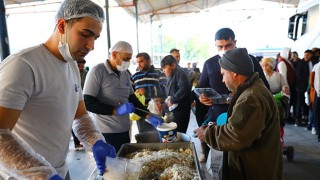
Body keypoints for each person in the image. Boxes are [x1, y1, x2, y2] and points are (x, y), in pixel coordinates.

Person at [0, 0, 117, 179]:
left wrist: (95, 141)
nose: (91, 46)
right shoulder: (24, 65)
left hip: (60, 170)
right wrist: (41, 174)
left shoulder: (71, 66)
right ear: (62, 25)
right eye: (86, 34)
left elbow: (80, 116)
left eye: (95, 38)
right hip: (23, 176)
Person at [195, 48, 283, 180]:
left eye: (223, 74)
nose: (223, 80)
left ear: (235, 73)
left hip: (253, 172)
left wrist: (207, 133)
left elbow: (235, 136)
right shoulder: (252, 90)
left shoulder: (251, 98)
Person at [196, 27, 270, 162]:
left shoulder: (249, 61)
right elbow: (202, 88)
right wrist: (202, 97)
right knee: (220, 155)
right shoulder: (209, 64)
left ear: (235, 42)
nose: (224, 49)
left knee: (240, 150)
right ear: (215, 45)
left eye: (228, 45)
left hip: (244, 112)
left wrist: (241, 95)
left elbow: (264, 86)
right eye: (220, 46)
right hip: (218, 114)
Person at [83, 41, 163, 152]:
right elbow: (87, 102)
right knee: (111, 165)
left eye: (130, 59)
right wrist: (115, 110)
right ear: (114, 54)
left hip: (124, 129)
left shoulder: (125, 74)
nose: (128, 62)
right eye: (126, 58)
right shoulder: (97, 71)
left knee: (122, 159)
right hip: (106, 131)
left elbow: (132, 99)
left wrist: (148, 115)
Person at [131, 52, 167, 132]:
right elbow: (131, 95)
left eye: (141, 61)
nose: (139, 64)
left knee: (158, 135)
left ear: (149, 60)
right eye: (137, 62)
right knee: (143, 137)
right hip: (142, 112)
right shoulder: (134, 77)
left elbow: (165, 88)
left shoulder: (159, 72)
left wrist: (146, 91)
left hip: (157, 111)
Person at [161, 55, 192, 133]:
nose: (163, 70)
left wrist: (172, 99)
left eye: (165, 68)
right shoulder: (172, 75)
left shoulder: (180, 72)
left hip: (181, 112)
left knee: (178, 134)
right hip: (175, 111)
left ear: (173, 65)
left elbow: (184, 88)